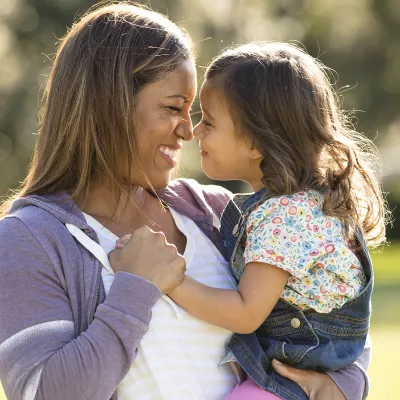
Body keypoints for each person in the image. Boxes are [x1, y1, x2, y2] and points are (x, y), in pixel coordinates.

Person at [0, 3, 369, 400]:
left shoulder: (217, 213)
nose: (188, 131)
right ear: (110, 104)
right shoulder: (28, 239)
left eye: (197, 114)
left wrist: (341, 385)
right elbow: (44, 393)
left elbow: (326, 309)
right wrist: (136, 287)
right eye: (173, 108)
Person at [135, 42, 385, 400]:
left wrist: (170, 282)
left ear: (255, 142)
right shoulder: (298, 205)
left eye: (209, 121)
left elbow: (245, 313)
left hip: (290, 380)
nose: (195, 132)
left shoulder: (284, 217)